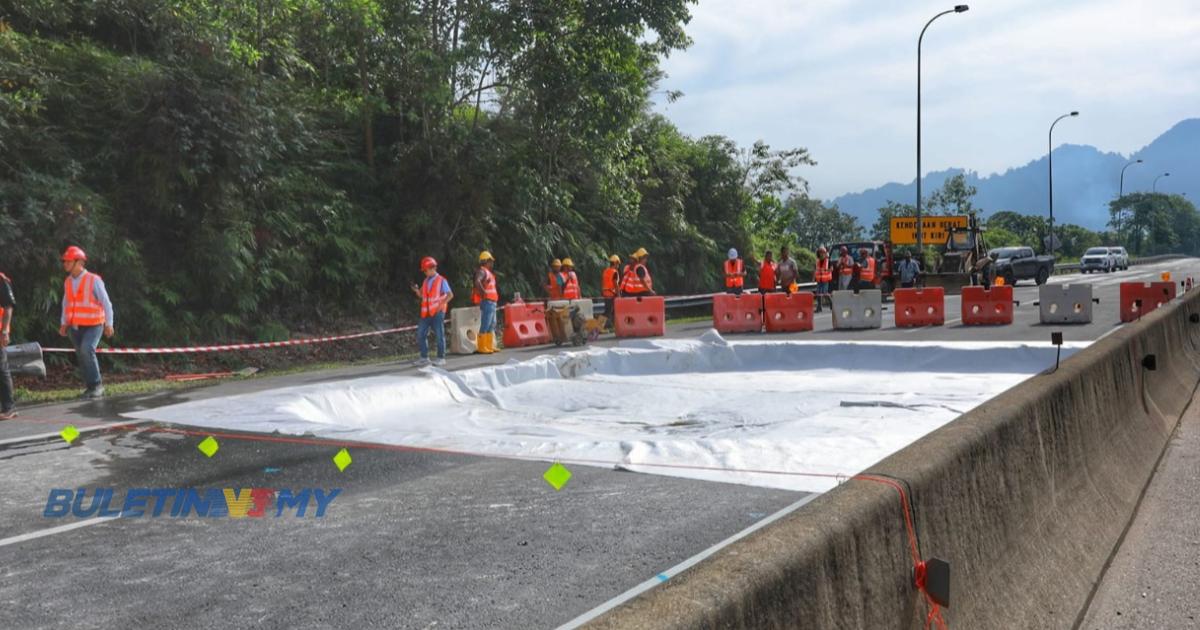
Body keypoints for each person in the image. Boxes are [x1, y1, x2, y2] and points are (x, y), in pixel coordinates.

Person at [59, 246, 114, 399]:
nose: (65, 264)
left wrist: (109, 324)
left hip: (94, 325)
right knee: (82, 355)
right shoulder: (68, 281)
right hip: (75, 326)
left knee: (86, 350)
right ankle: (90, 387)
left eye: (68, 261)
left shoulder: (93, 280)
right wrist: (64, 323)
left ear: (79, 262)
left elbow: (106, 303)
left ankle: (97, 385)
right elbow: (66, 303)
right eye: (65, 261)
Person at [410, 257, 453, 366]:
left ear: (432, 268)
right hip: (426, 313)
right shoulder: (425, 281)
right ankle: (424, 357)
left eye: (425, 270)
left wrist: (442, 304)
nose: (424, 273)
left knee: (439, 334)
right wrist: (416, 290)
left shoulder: (441, 280)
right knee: (421, 333)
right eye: (423, 271)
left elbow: (450, 295)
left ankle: (441, 357)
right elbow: (421, 295)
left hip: (437, 312)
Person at [472, 251, 499, 355]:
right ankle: (482, 346)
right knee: (486, 324)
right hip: (487, 301)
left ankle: (489, 345)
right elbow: (477, 281)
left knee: (492, 324)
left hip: (492, 302)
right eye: (490, 261)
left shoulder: (488, 273)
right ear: (485, 261)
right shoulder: (482, 271)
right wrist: (483, 292)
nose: (492, 263)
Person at [0, 271, 15, 419]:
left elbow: (8, 306)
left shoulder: (1, 280)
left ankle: (8, 407)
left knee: (1, 369)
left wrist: (4, 331)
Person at [601, 254, 621, 331]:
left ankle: (613, 326)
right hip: (611, 294)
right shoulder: (614, 272)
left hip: (606, 293)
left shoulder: (606, 271)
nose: (618, 265)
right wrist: (618, 294)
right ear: (615, 263)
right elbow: (615, 284)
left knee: (611, 311)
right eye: (618, 263)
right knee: (608, 311)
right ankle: (600, 327)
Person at [813, 247, 832, 312]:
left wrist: (829, 270)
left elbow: (831, 268)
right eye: (820, 252)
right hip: (819, 280)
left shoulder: (828, 261)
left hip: (825, 280)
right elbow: (815, 270)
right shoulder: (817, 261)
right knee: (818, 294)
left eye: (822, 252)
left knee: (825, 293)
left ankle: (832, 304)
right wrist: (813, 278)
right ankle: (819, 307)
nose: (821, 254)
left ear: (824, 253)